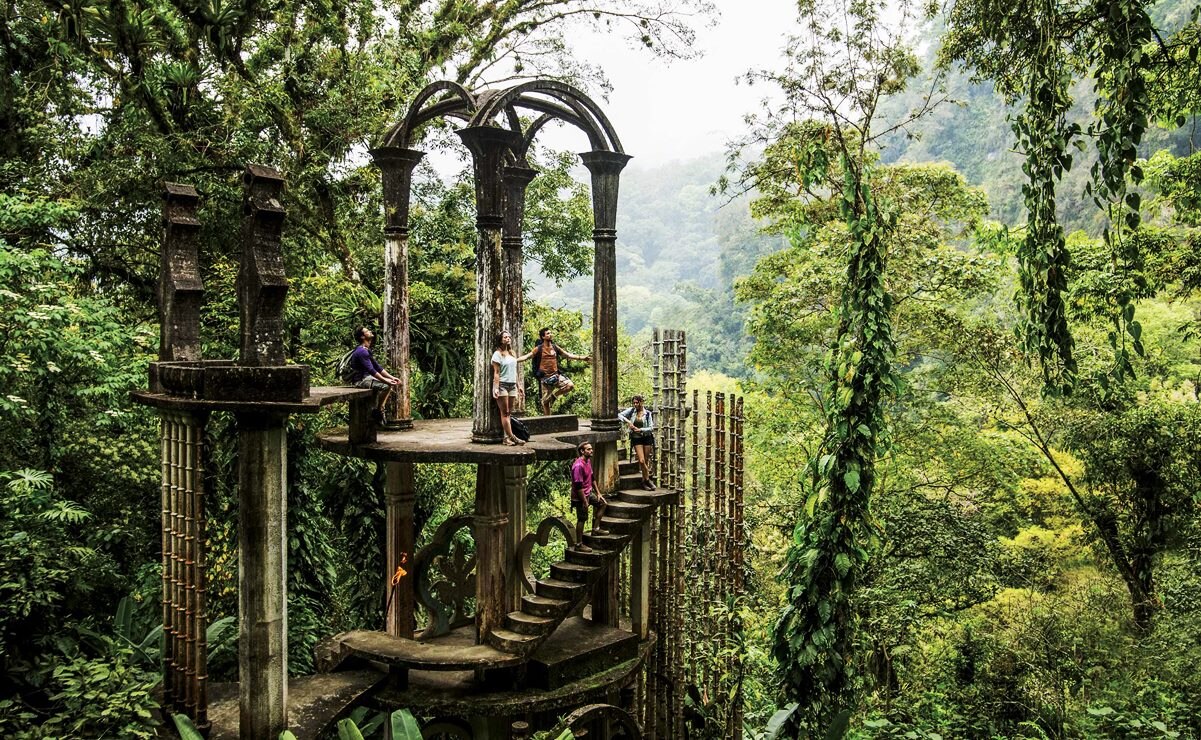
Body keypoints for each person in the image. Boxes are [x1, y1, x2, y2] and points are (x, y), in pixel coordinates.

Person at [527, 327, 590, 415]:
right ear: (543, 337)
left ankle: (554, 396)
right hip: (544, 379)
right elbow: (527, 357)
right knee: (546, 403)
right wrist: (515, 360)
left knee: (570, 385)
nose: (550, 334)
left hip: (556, 376)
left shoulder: (555, 347)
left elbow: (568, 355)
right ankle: (547, 421)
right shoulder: (539, 348)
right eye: (548, 333)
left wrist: (583, 358)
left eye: (550, 333)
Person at [349, 327, 400, 425]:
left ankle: (379, 409)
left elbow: (378, 367)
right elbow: (371, 370)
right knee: (386, 386)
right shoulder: (361, 351)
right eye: (367, 331)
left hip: (367, 377)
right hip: (361, 380)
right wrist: (386, 381)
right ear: (363, 337)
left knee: (388, 383)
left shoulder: (366, 350)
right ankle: (379, 410)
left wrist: (392, 377)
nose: (370, 331)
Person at [570, 441, 608, 551]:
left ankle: (595, 529)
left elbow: (592, 477)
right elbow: (578, 486)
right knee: (582, 518)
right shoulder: (578, 465)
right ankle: (579, 544)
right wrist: (584, 501)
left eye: (591, 449)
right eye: (588, 449)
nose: (591, 451)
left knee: (603, 504)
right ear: (582, 451)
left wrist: (598, 493)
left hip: (588, 492)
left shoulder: (588, 461)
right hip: (579, 496)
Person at [491, 331, 525, 446]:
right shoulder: (497, 354)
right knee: (504, 412)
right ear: (500, 340)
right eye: (505, 337)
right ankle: (512, 437)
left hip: (512, 385)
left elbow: (514, 372)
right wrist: (495, 388)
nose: (508, 338)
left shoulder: (512, 353)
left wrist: (519, 385)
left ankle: (506, 439)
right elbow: (496, 372)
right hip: (503, 385)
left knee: (509, 412)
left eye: (509, 337)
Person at [618, 395, 656, 490]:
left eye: (637, 402)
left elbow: (651, 428)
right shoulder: (631, 411)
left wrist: (641, 430)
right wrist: (628, 422)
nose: (635, 404)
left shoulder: (647, 413)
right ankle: (648, 479)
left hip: (646, 437)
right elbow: (619, 415)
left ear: (641, 402)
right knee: (641, 460)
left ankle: (644, 482)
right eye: (634, 403)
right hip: (636, 438)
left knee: (646, 460)